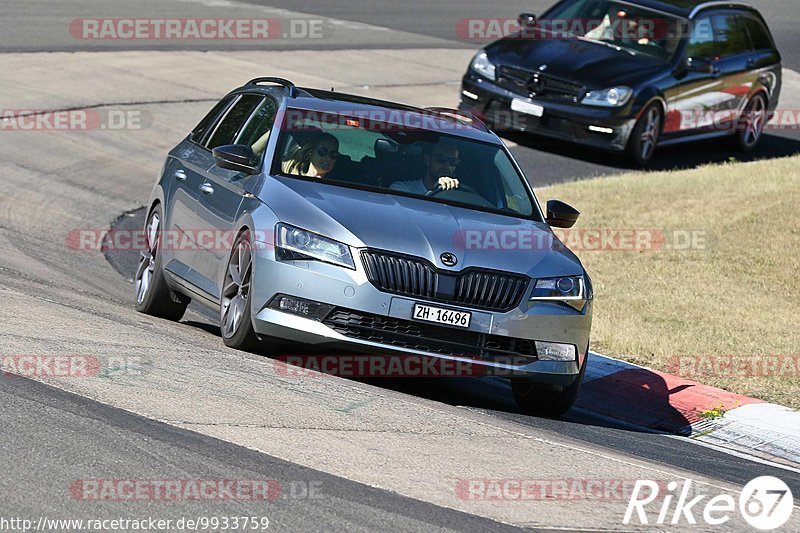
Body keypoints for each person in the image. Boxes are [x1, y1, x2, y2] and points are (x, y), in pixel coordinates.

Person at [390, 141, 461, 195]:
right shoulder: (402, 188)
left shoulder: (461, 195)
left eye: (453, 161)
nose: (447, 166)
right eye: (441, 159)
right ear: (427, 160)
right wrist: (437, 189)